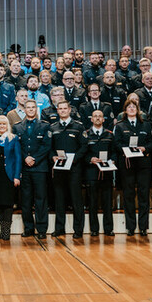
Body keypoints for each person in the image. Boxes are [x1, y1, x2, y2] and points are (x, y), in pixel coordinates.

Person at [113, 97, 152, 236]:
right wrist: (126, 149)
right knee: (128, 195)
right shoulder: (120, 125)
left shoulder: (146, 125)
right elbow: (116, 144)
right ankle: (130, 227)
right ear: (125, 110)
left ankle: (143, 227)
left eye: (134, 107)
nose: (131, 109)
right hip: (127, 164)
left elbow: (151, 143)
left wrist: (144, 148)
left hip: (143, 164)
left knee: (143, 195)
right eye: (129, 107)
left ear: (138, 110)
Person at [50, 100, 85, 238]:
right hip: (58, 168)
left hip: (74, 168)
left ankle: (78, 229)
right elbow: (49, 147)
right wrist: (52, 157)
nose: (63, 111)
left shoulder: (78, 127)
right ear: (57, 111)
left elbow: (84, 146)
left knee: (76, 200)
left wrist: (74, 159)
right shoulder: (53, 127)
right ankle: (59, 228)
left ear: (70, 110)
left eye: (65, 108)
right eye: (60, 109)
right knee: (59, 199)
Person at [16, 100, 50, 237]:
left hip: (40, 168)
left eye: (33, 107)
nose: (30, 110)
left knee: (41, 199)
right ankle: (28, 228)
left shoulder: (44, 126)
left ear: (37, 109)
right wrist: (25, 158)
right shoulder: (17, 127)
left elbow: (46, 146)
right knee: (26, 199)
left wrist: (34, 158)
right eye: (28, 107)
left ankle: (41, 229)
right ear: (24, 110)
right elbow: (17, 147)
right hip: (24, 168)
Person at [82, 109, 115, 236]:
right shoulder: (86, 134)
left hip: (106, 173)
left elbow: (114, 152)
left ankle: (108, 229)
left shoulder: (109, 134)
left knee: (107, 203)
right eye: (95, 116)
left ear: (103, 119)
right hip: (91, 173)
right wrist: (90, 159)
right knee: (92, 203)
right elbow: (82, 153)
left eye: (99, 116)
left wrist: (113, 160)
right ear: (91, 119)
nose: (97, 118)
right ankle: (94, 229)